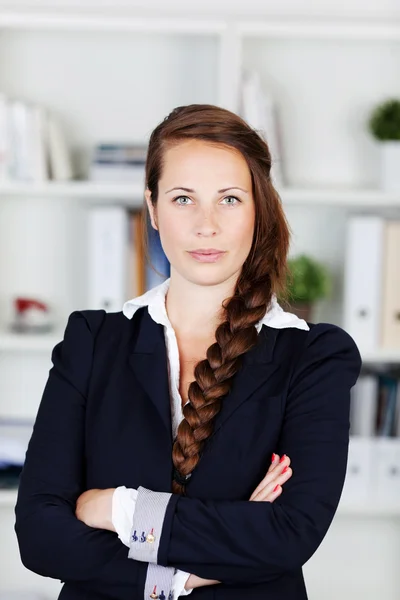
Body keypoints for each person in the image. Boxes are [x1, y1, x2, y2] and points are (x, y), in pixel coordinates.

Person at [14, 104, 362, 600]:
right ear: (152, 208)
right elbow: (40, 536)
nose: (206, 225)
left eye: (229, 199)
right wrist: (179, 576)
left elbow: (289, 534)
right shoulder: (91, 342)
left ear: (258, 209)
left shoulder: (315, 355)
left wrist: (115, 508)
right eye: (183, 198)